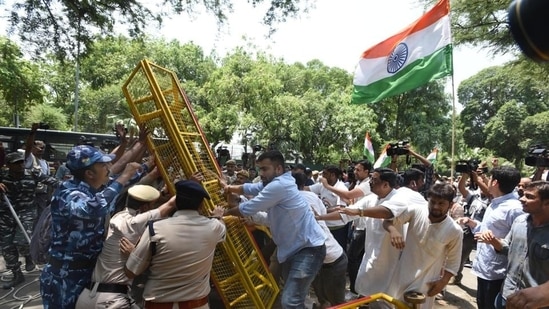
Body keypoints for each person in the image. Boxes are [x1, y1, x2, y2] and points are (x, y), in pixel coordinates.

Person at [40, 143, 149, 309]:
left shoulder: (95, 187)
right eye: (103, 165)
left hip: (88, 275)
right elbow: (92, 209)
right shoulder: (68, 193)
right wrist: (124, 176)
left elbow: (126, 179)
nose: (109, 168)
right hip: (64, 278)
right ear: (89, 173)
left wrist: (151, 164)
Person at [222, 150, 326, 309]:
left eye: (265, 169)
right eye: (260, 169)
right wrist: (229, 187)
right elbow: (251, 188)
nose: (261, 173)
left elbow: (248, 207)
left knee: (290, 301)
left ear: (278, 169)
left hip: (307, 249)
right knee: (293, 299)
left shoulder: (279, 185)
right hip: (292, 249)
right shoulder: (278, 182)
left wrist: (224, 214)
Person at [125, 180, 226, 309]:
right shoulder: (214, 227)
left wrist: (134, 254)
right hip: (197, 304)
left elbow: (131, 272)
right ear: (201, 205)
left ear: (176, 203)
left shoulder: (155, 229)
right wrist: (218, 216)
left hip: (158, 304)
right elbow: (222, 225)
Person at [75, 184, 176, 309]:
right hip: (111, 301)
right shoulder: (134, 223)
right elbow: (169, 206)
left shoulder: (119, 217)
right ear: (144, 207)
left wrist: (161, 194)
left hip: (86, 297)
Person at [384, 183, 463, 308]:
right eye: (433, 202)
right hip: (401, 276)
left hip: (426, 284)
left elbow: (453, 262)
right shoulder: (416, 211)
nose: (436, 207)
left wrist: (442, 282)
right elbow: (388, 221)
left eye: (441, 203)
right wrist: (393, 231)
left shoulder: (454, 230)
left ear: (451, 205)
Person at [457, 166, 523, 309]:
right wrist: (471, 222)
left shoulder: (514, 209)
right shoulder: (496, 203)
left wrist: (494, 241)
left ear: (495, 182)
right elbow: (488, 230)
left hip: (498, 273)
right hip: (485, 268)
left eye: (490, 178)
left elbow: (519, 245)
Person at [478, 180, 549, 309]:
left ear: (547, 203)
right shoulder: (519, 222)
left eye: (529, 197)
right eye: (523, 194)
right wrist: (493, 240)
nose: (521, 199)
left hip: (535, 304)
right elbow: (507, 249)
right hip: (506, 297)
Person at [0, 152, 58, 288]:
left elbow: (55, 182)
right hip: (5, 214)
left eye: (21, 162)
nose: (20, 165)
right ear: (8, 165)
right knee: (7, 246)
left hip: (26, 212)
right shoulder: (2, 175)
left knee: (21, 241)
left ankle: (28, 255)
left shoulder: (32, 174)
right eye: (16, 163)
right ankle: (17, 274)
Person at [318, 160, 373, 294]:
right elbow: (351, 203)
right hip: (357, 224)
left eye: (358, 170)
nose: (355, 172)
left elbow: (348, 196)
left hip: (364, 227)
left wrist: (327, 186)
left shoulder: (367, 185)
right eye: (355, 169)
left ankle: (356, 290)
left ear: (367, 172)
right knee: (358, 259)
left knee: (352, 258)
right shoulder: (360, 183)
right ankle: (359, 288)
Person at [293, 172, 347, 308]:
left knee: (337, 302)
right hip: (322, 261)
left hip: (331, 260)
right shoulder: (309, 196)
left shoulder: (293, 202)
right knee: (325, 299)